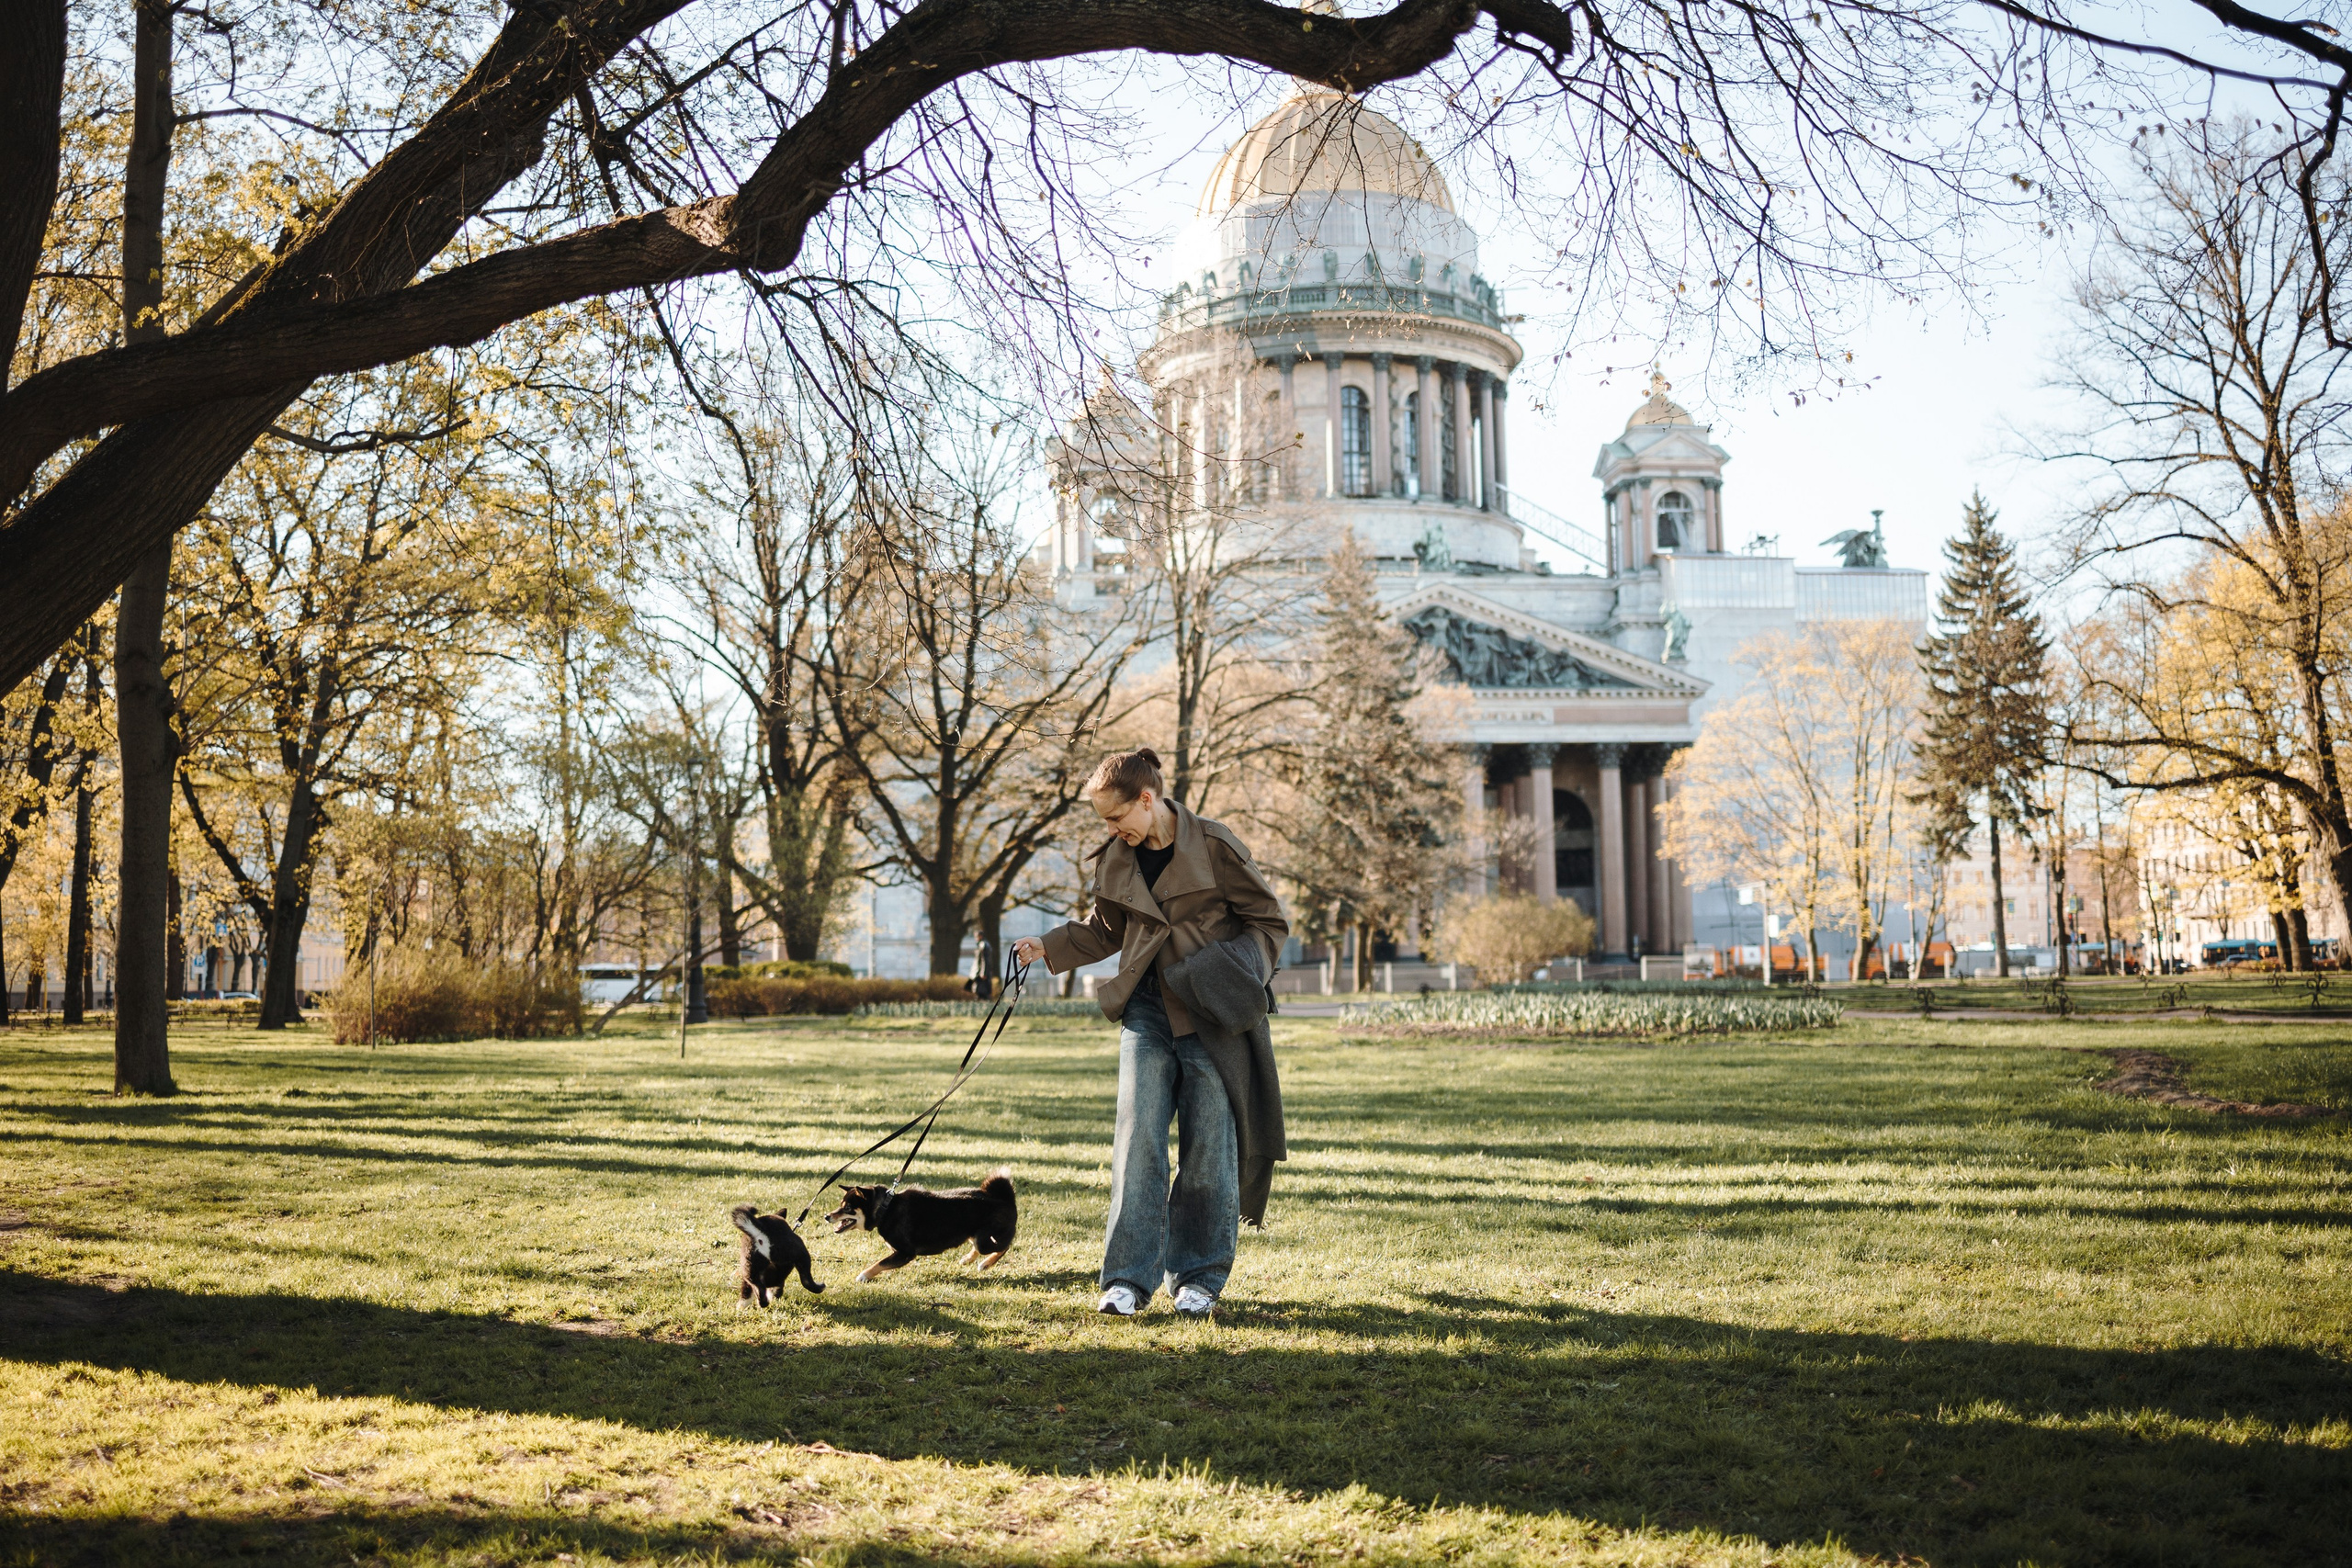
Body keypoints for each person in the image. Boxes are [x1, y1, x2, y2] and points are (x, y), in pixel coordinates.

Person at [1012, 747, 1288, 1318]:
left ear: (1147, 798)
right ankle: (1127, 1281)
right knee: (1138, 1147)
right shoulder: (1117, 857)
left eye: (1118, 818)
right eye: (1105, 823)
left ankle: (1199, 1279)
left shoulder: (1215, 845)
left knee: (1209, 1149)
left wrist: (1235, 976)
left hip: (1210, 1015)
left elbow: (1268, 922)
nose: (1113, 830)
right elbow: (1106, 929)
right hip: (1146, 1012)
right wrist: (1049, 946)